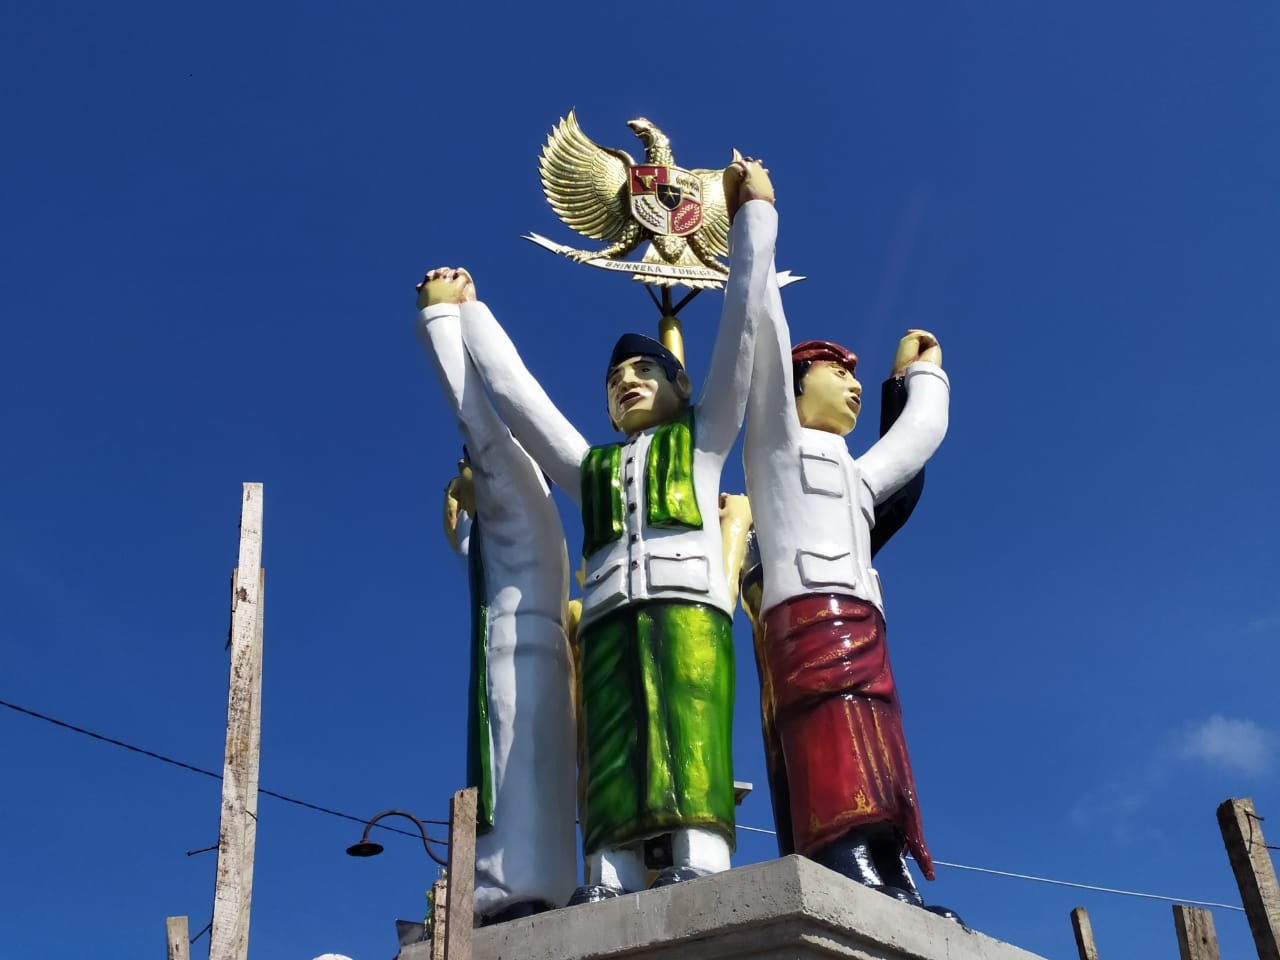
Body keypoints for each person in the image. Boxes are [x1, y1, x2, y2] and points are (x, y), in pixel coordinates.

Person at [428, 160, 777, 901]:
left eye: (645, 371)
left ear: (680, 389)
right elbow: (522, 399)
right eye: (615, 381)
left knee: (688, 728)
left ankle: (698, 854)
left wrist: (754, 218)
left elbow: (741, 329)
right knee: (613, 744)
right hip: (610, 619)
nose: (626, 382)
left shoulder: (704, 442)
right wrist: (468, 315)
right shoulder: (589, 466)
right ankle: (611, 869)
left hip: (687, 607)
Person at [739, 171, 951, 908]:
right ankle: (842, 852)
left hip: (864, 618)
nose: (852, 386)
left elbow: (916, 444)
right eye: (838, 373)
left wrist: (919, 376)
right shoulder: (773, 448)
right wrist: (756, 219)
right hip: (804, 617)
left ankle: (886, 863)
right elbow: (763, 331)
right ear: (797, 386)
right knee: (827, 733)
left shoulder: (857, 477)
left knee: (879, 740)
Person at [415, 273, 577, 923]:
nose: (466, 473)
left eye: (467, 467)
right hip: (509, 654)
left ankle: (516, 889)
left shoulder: (514, 475)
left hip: (526, 656)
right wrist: (455, 533)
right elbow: (487, 567)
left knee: (519, 778)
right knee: (510, 778)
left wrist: (444, 320)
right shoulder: (503, 517)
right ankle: (508, 887)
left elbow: (480, 418)